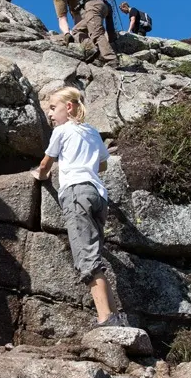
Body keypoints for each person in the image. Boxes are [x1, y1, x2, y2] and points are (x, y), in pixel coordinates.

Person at [31, 87, 127, 328]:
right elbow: (102, 165)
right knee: (94, 251)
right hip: (98, 195)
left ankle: (105, 318)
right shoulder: (92, 132)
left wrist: (41, 175)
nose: (50, 115)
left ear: (70, 107)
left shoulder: (62, 131)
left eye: (53, 108)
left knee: (85, 256)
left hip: (76, 192)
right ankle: (114, 315)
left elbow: (46, 162)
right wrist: (87, 165)